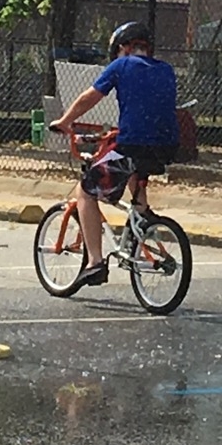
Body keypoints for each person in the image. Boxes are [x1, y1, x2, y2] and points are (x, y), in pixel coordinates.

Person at [50, 21, 179, 289]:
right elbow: (149, 109)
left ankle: (95, 263)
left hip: (132, 146)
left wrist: (65, 121)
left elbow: (89, 97)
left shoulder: (122, 65)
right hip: (166, 148)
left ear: (122, 47)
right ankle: (141, 221)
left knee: (86, 192)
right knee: (134, 170)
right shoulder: (166, 70)